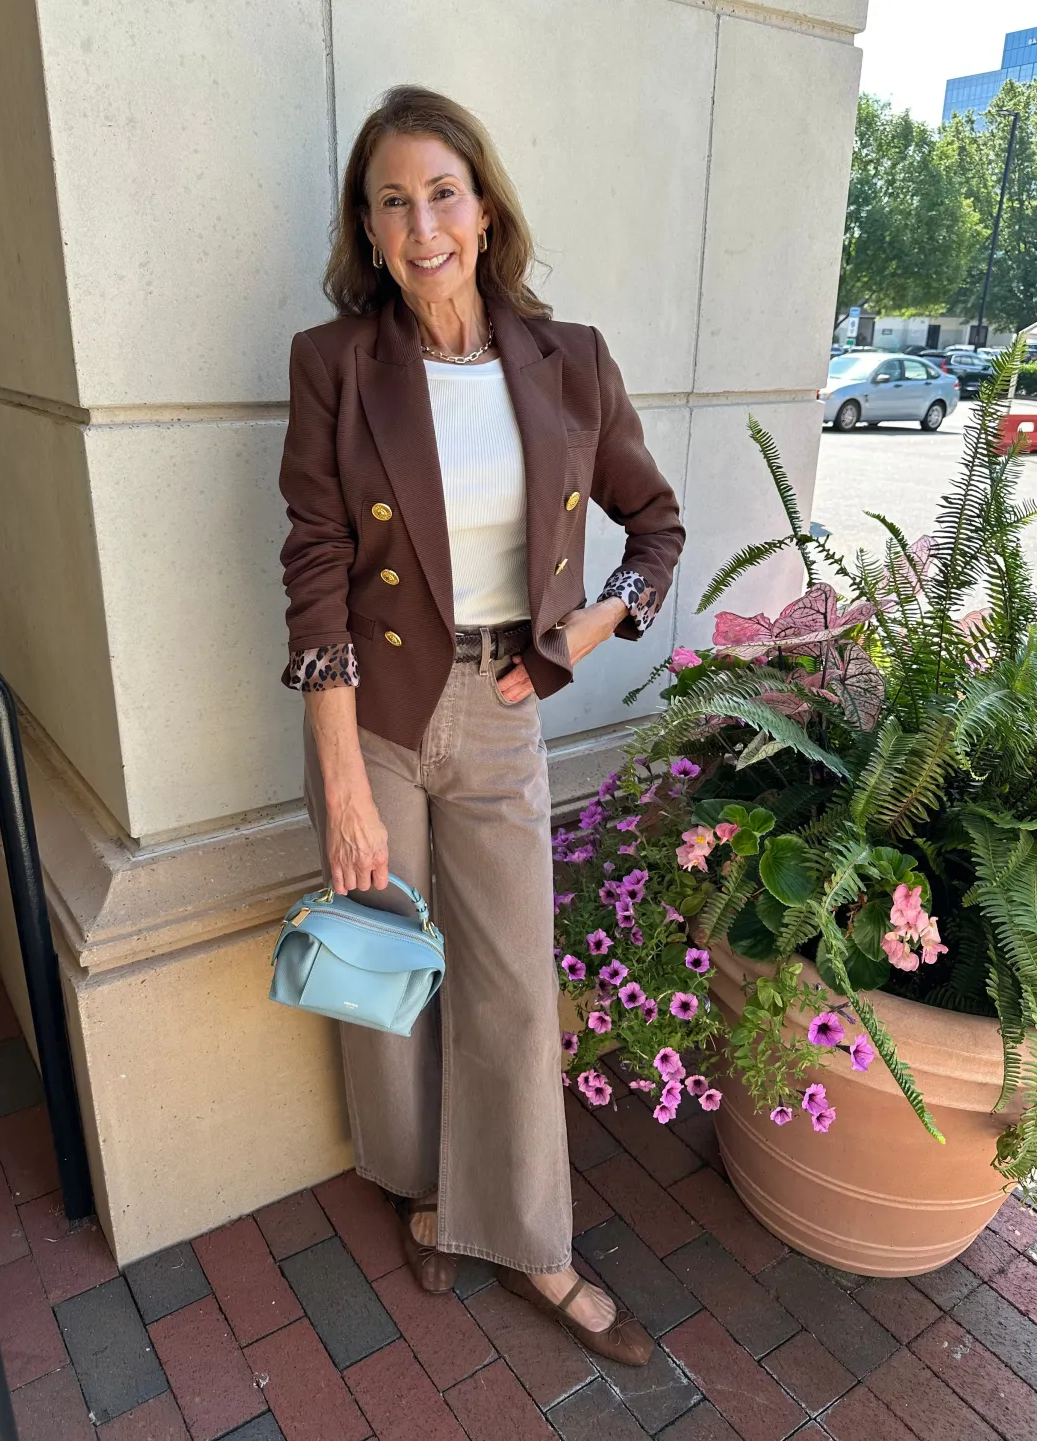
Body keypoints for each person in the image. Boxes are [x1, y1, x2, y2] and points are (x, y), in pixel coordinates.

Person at [278, 85, 683, 1367]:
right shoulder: (334, 364)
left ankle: (537, 1242)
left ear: (485, 207)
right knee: (384, 966)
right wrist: (343, 783)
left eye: (442, 194)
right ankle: (424, 1190)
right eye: (392, 202)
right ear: (368, 226)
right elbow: (317, 570)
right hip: (373, 713)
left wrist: (588, 630)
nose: (422, 226)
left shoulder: (572, 361)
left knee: (511, 978)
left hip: (502, 704)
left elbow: (656, 527)